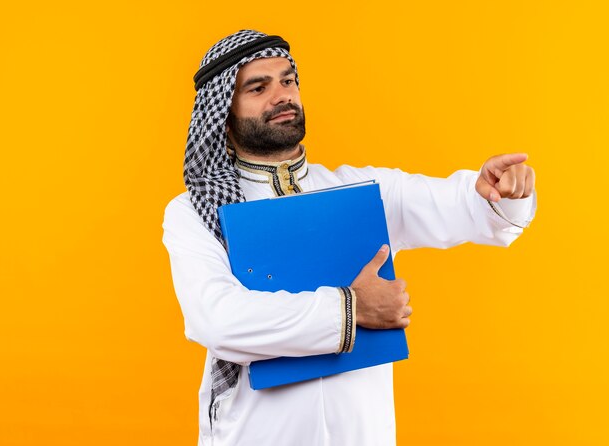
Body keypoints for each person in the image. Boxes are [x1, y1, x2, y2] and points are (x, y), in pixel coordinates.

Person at [162, 30, 536, 446]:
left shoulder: (363, 190)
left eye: (288, 81)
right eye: (258, 87)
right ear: (222, 114)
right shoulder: (194, 211)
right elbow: (219, 321)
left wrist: (501, 190)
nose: (282, 96)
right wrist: (353, 309)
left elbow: (465, 207)